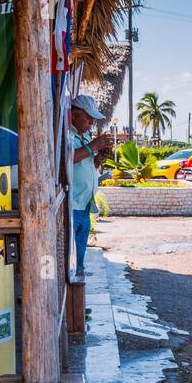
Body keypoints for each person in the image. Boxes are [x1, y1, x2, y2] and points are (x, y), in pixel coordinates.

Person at [68, 94, 112, 276]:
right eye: (88, 117)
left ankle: (78, 279)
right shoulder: (66, 134)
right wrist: (93, 146)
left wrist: (99, 158)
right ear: (74, 114)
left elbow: (87, 165)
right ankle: (73, 288)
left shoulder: (84, 136)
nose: (91, 122)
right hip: (72, 205)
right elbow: (68, 158)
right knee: (70, 254)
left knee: (79, 254)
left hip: (85, 204)